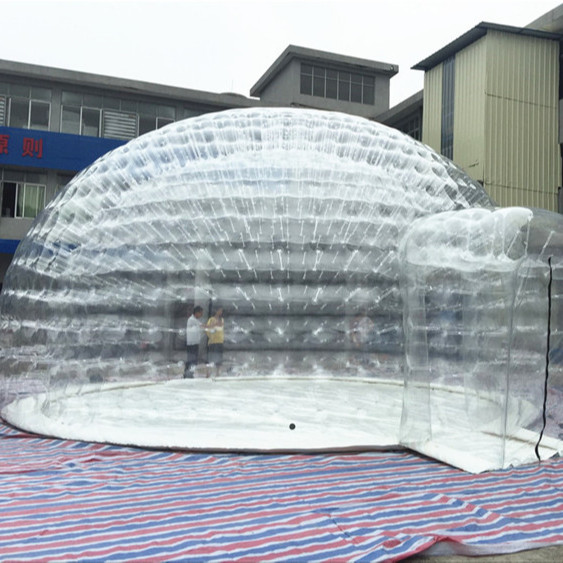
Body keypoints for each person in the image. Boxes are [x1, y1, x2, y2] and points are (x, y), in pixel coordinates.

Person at [185, 305, 203, 378]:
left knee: (193, 360)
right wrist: (212, 326)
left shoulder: (196, 320)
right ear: (197, 312)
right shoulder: (192, 320)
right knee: (191, 360)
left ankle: (190, 374)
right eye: (201, 313)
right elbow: (202, 326)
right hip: (191, 344)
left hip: (195, 343)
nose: (201, 315)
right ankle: (188, 374)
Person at [205, 307, 224, 377]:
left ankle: (217, 373)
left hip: (220, 341)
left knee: (219, 358)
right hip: (212, 342)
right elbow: (207, 329)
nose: (220, 312)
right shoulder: (211, 320)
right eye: (219, 310)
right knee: (211, 358)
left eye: (221, 311)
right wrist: (211, 336)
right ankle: (208, 373)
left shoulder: (222, 320)